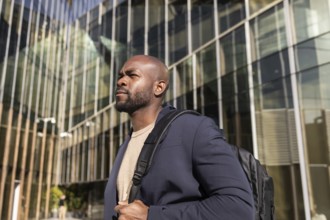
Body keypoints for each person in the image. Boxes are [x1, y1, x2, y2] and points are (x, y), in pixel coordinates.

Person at [104, 55, 254, 220]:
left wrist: (151, 216)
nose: (121, 81)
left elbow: (238, 208)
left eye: (132, 75)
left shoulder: (193, 129)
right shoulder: (126, 143)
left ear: (159, 87)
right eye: (120, 76)